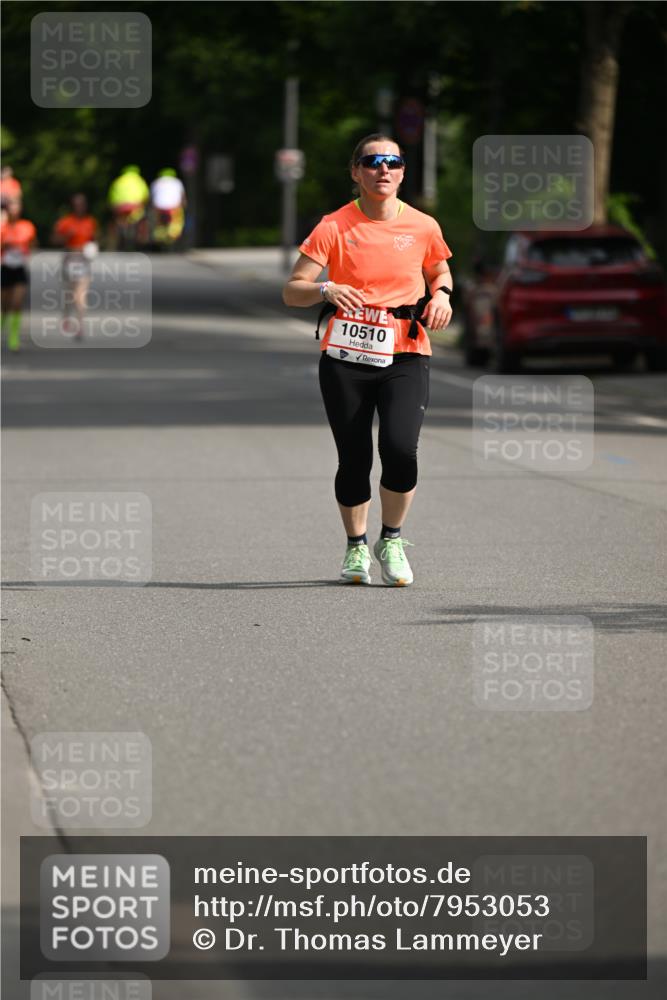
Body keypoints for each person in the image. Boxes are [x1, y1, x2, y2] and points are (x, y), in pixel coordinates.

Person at [283, 134, 453, 587]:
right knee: (354, 456)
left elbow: (439, 269)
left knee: (400, 449)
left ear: (402, 171)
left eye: (393, 162)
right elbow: (292, 289)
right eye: (372, 161)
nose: (384, 169)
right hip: (346, 355)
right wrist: (325, 289)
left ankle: (391, 539)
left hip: (406, 352)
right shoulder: (334, 226)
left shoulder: (422, 225)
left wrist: (442, 295)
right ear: (356, 171)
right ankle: (356, 546)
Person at [51, 193, 99, 339]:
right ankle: (66, 316)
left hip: (84, 260)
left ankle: (80, 326)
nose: (79, 207)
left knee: (81, 294)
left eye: (82, 204)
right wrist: (67, 236)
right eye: (77, 204)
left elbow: (95, 239)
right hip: (70, 259)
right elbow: (54, 239)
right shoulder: (66, 222)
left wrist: (93, 248)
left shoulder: (91, 222)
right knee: (70, 294)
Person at [1, 196, 37, 351]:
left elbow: (33, 244)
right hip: (5, 267)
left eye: (17, 206)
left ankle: (13, 337)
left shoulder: (27, 226)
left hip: (20, 268)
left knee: (17, 303)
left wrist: (25, 251)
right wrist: (6, 245)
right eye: (12, 207)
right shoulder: (2, 227)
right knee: (5, 305)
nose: (14, 210)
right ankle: (3, 323)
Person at [107, 165, 149, 249]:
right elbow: (146, 196)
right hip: (135, 208)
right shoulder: (139, 180)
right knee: (142, 221)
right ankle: (141, 241)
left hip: (120, 208)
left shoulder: (118, 181)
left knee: (114, 222)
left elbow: (111, 198)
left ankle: (113, 241)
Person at [149, 168, 186, 246]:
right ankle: (173, 235)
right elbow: (182, 197)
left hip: (159, 207)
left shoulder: (156, 182)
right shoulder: (177, 182)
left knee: (158, 223)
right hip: (173, 207)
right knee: (177, 221)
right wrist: (184, 205)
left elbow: (151, 197)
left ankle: (159, 238)